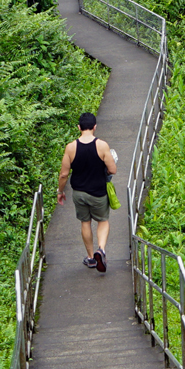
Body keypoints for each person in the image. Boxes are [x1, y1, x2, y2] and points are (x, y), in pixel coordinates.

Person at [59, 111, 117, 272]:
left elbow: (64, 174)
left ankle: (91, 258)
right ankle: (101, 250)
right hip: (98, 191)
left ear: (79, 127)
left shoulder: (70, 147)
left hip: (79, 192)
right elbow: (112, 169)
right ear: (94, 127)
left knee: (85, 222)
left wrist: (60, 192)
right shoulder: (102, 145)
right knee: (103, 220)